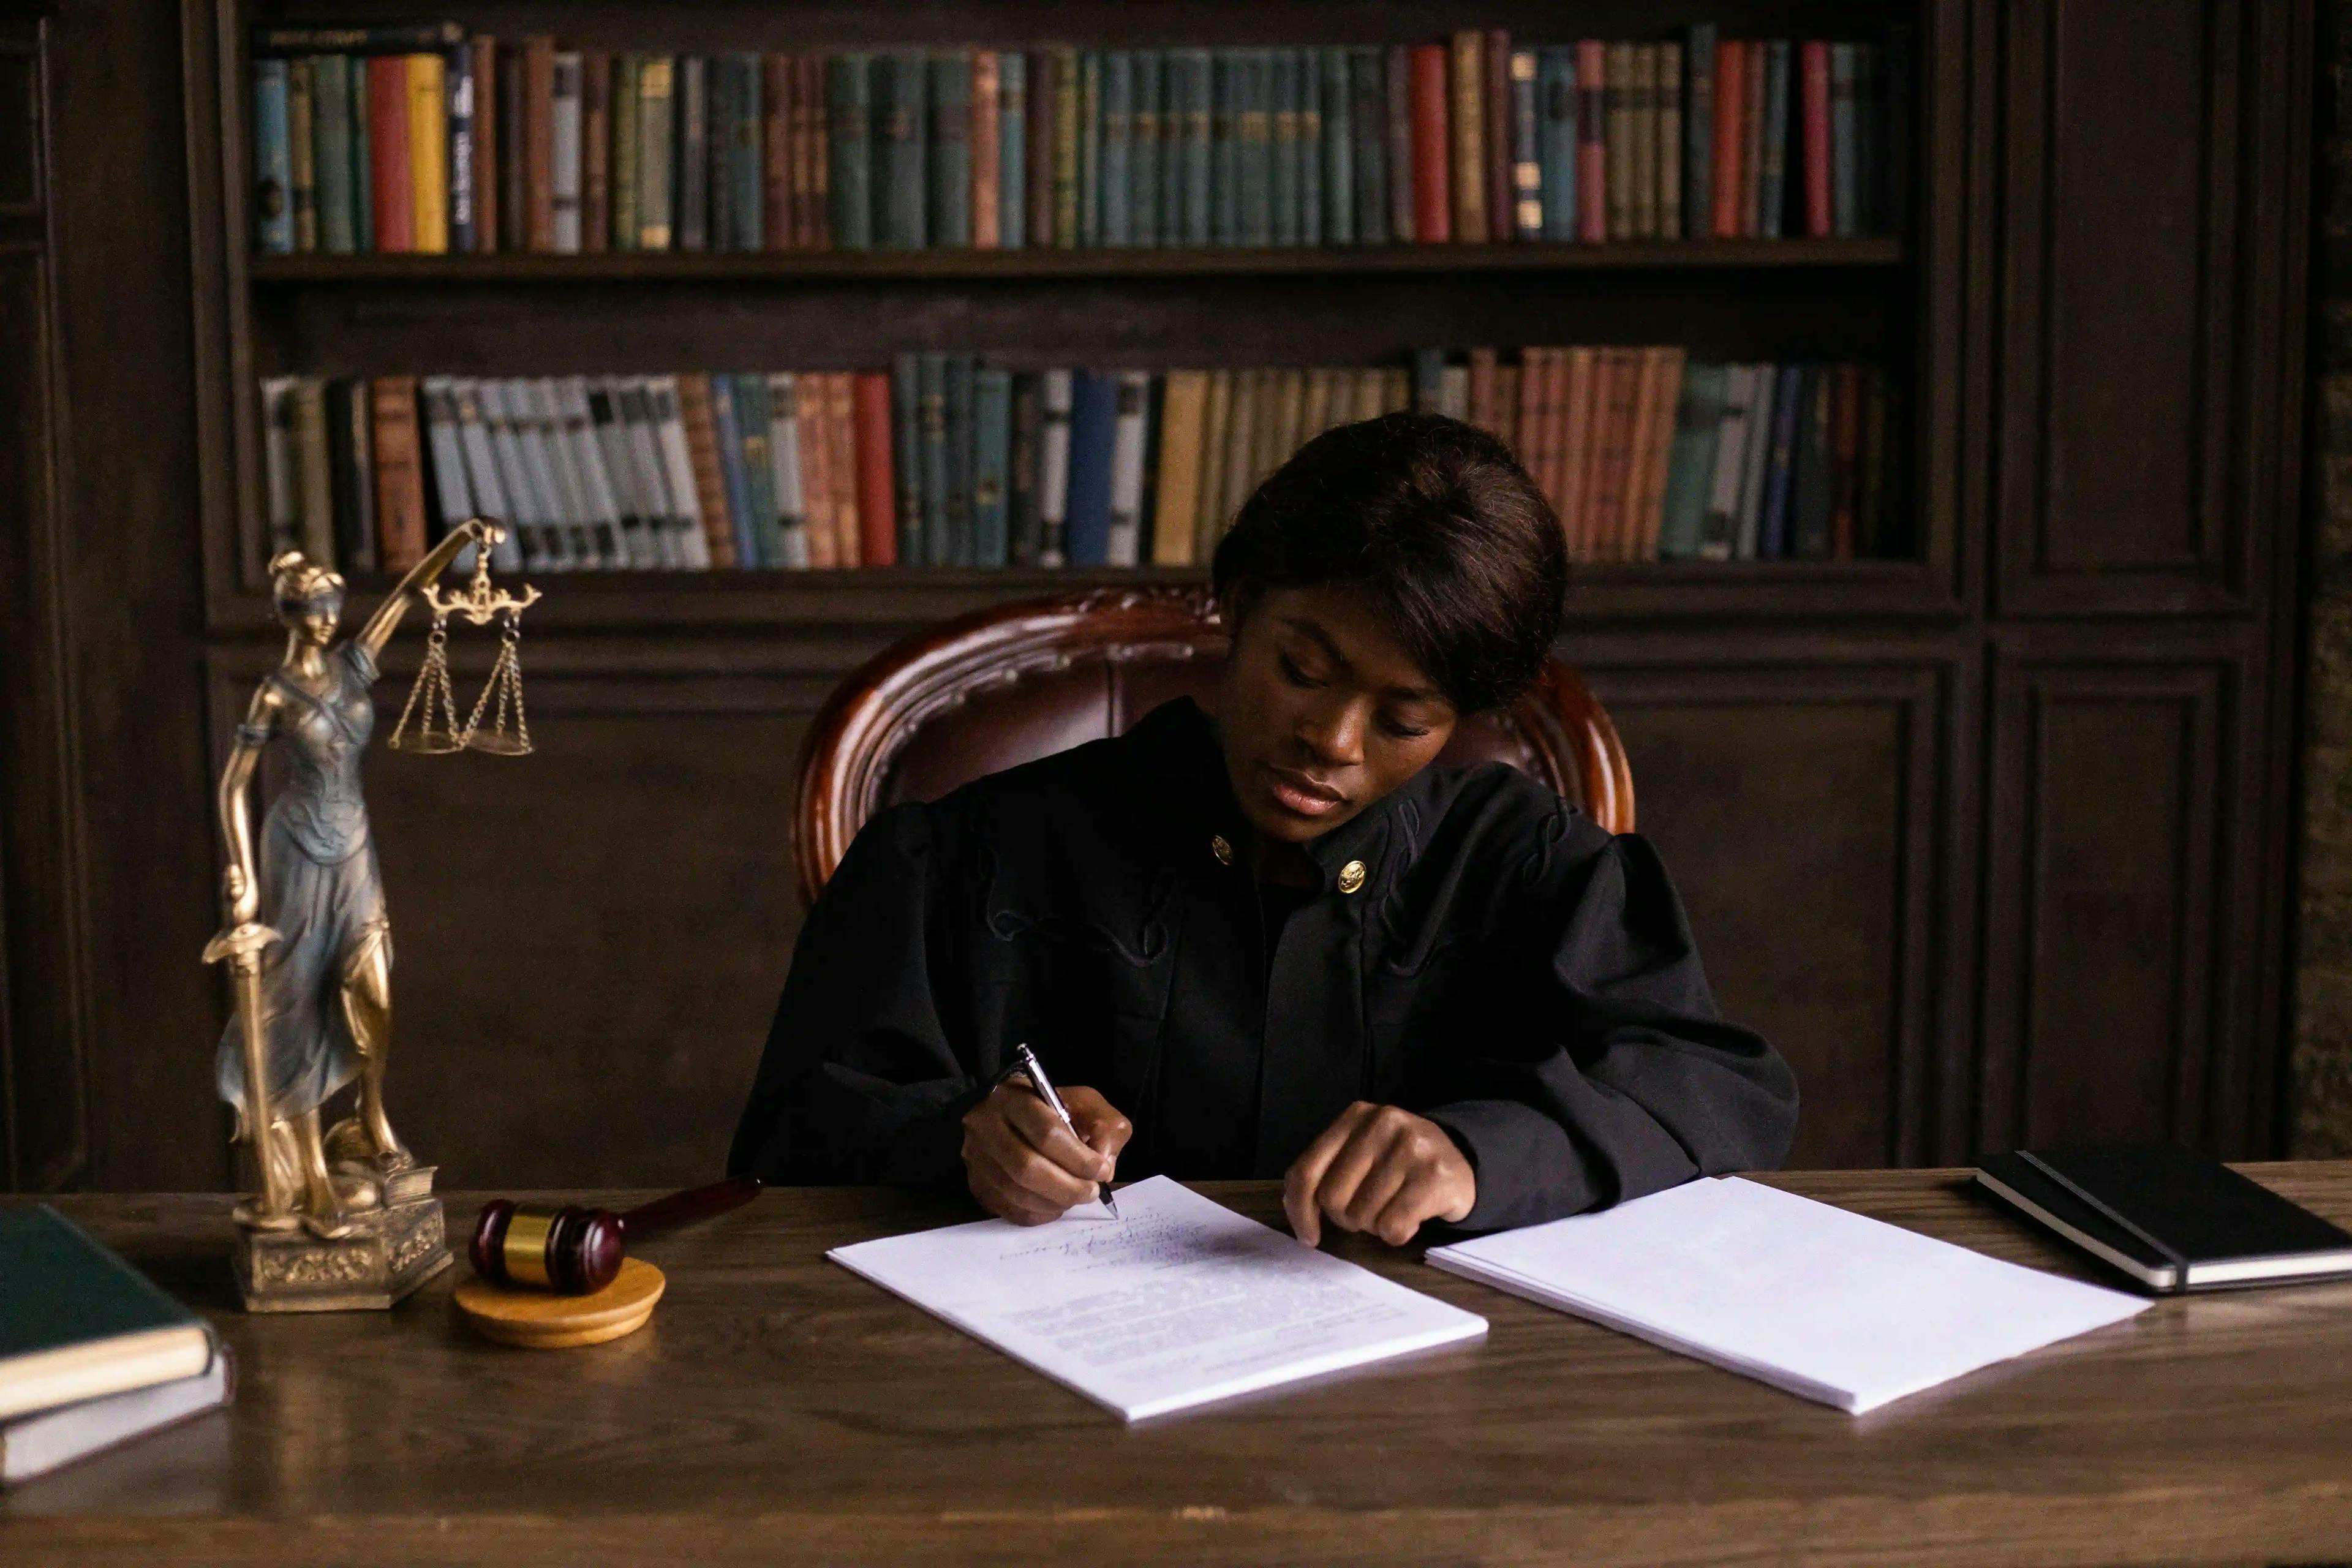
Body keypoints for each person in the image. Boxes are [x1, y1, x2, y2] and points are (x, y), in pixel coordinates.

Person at [730, 415, 1796, 1245]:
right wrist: (964, 1136)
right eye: (1302, 668)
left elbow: (1718, 1087)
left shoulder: (1526, 862)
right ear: (1236, 606)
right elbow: (787, 1141)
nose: (1330, 741)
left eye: (1403, 719)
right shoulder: (969, 855)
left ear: (1460, 720)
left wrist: (1482, 1153)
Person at [209, 520, 502, 1236]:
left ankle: (370, 1112)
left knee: (372, 987)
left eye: (335, 608)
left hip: (355, 846)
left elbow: (408, 593)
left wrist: (459, 541)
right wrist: (240, 870)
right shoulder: (274, 694)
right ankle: (310, 1176)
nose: (330, 620)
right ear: (289, 614)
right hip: (296, 850)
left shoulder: (353, 664)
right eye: (315, 610)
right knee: (299, 999)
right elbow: (233, 785)